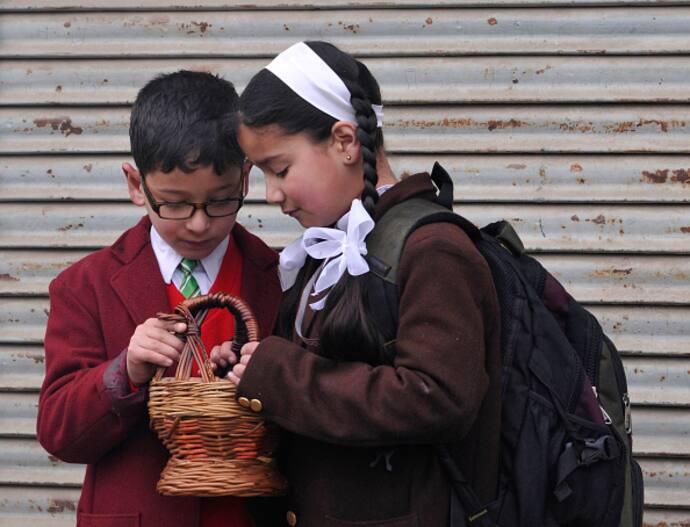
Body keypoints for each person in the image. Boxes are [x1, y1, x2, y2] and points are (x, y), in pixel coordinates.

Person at [212, 41, 502, 526]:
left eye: (280, 169)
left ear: (346, 141)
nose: (270, 194)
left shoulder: (431, 250)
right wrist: (245, 366)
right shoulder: (324, 250)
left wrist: (280, 377)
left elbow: (439, 397)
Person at [36, 70, 282, 527]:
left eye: (220, 201)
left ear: (246, 180)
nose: (198, 224)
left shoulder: (281, 278)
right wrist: (123, 372)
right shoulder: (84, 286)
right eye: (174, 204)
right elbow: (58, 432)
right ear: (135, 185)